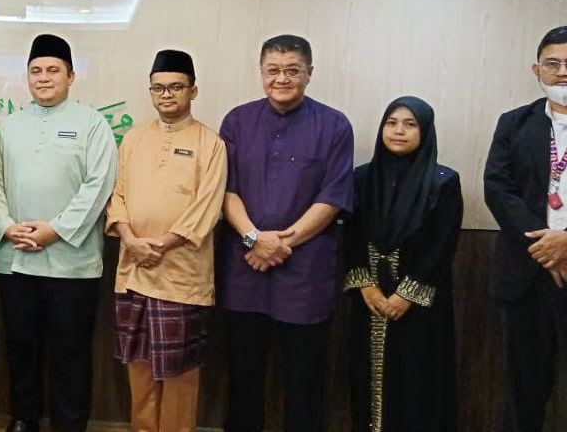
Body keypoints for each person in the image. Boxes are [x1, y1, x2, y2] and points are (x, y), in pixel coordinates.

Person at [217, 35, 354, 432]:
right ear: (261, 73)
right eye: (273, 70)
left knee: (304, 380)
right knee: (243, 376)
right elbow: (226, 190)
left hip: (305, 272)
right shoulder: (237, 121)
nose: (282, 79)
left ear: (309, 73)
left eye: (292, 70)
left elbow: (332, 197)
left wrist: (278, 244)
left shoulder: (334, 125)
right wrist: (253, 239)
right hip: (244, 268)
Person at [0, 34, 117, 432]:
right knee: (21, 349)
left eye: (53, 70)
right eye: (36, 71)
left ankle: (69, 425)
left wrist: (55, 230)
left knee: (70, 353)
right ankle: (23, 420)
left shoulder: (93, 124)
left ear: (71, 76)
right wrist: (7, 227)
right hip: (16, 259)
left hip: (71, 263)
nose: (43, 78)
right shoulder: (10, 126)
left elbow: (99, 185)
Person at [107, 50, 226, 432]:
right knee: (138, 367)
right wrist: (130, 239)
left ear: (193, 91)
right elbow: (117, 196)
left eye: (175, 87)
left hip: (181, 279)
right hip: (134, 273)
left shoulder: (211, 144)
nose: (166, 95)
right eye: (158, 88)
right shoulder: (133, 139)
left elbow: (207, 209)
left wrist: (160, 245)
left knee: (179, 374)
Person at [344, 96, 461, 432]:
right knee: (364, 376)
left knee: (416, 381)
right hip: (369, 301)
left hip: (420, 306)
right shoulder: (362, 178)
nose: (399, 131)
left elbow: (442, 244)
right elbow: (351, 235)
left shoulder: (443, 181)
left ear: (425, 131)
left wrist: (405, 294)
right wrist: (366, 286)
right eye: (391, 123)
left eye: (410, 125)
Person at [483, 25, 567, 432]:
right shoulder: (514, 123)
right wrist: (546, 246)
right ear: (537, 70)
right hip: (525, 275)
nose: (562, 72)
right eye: (553, 63)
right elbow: (498, 188)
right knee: (523, 390)